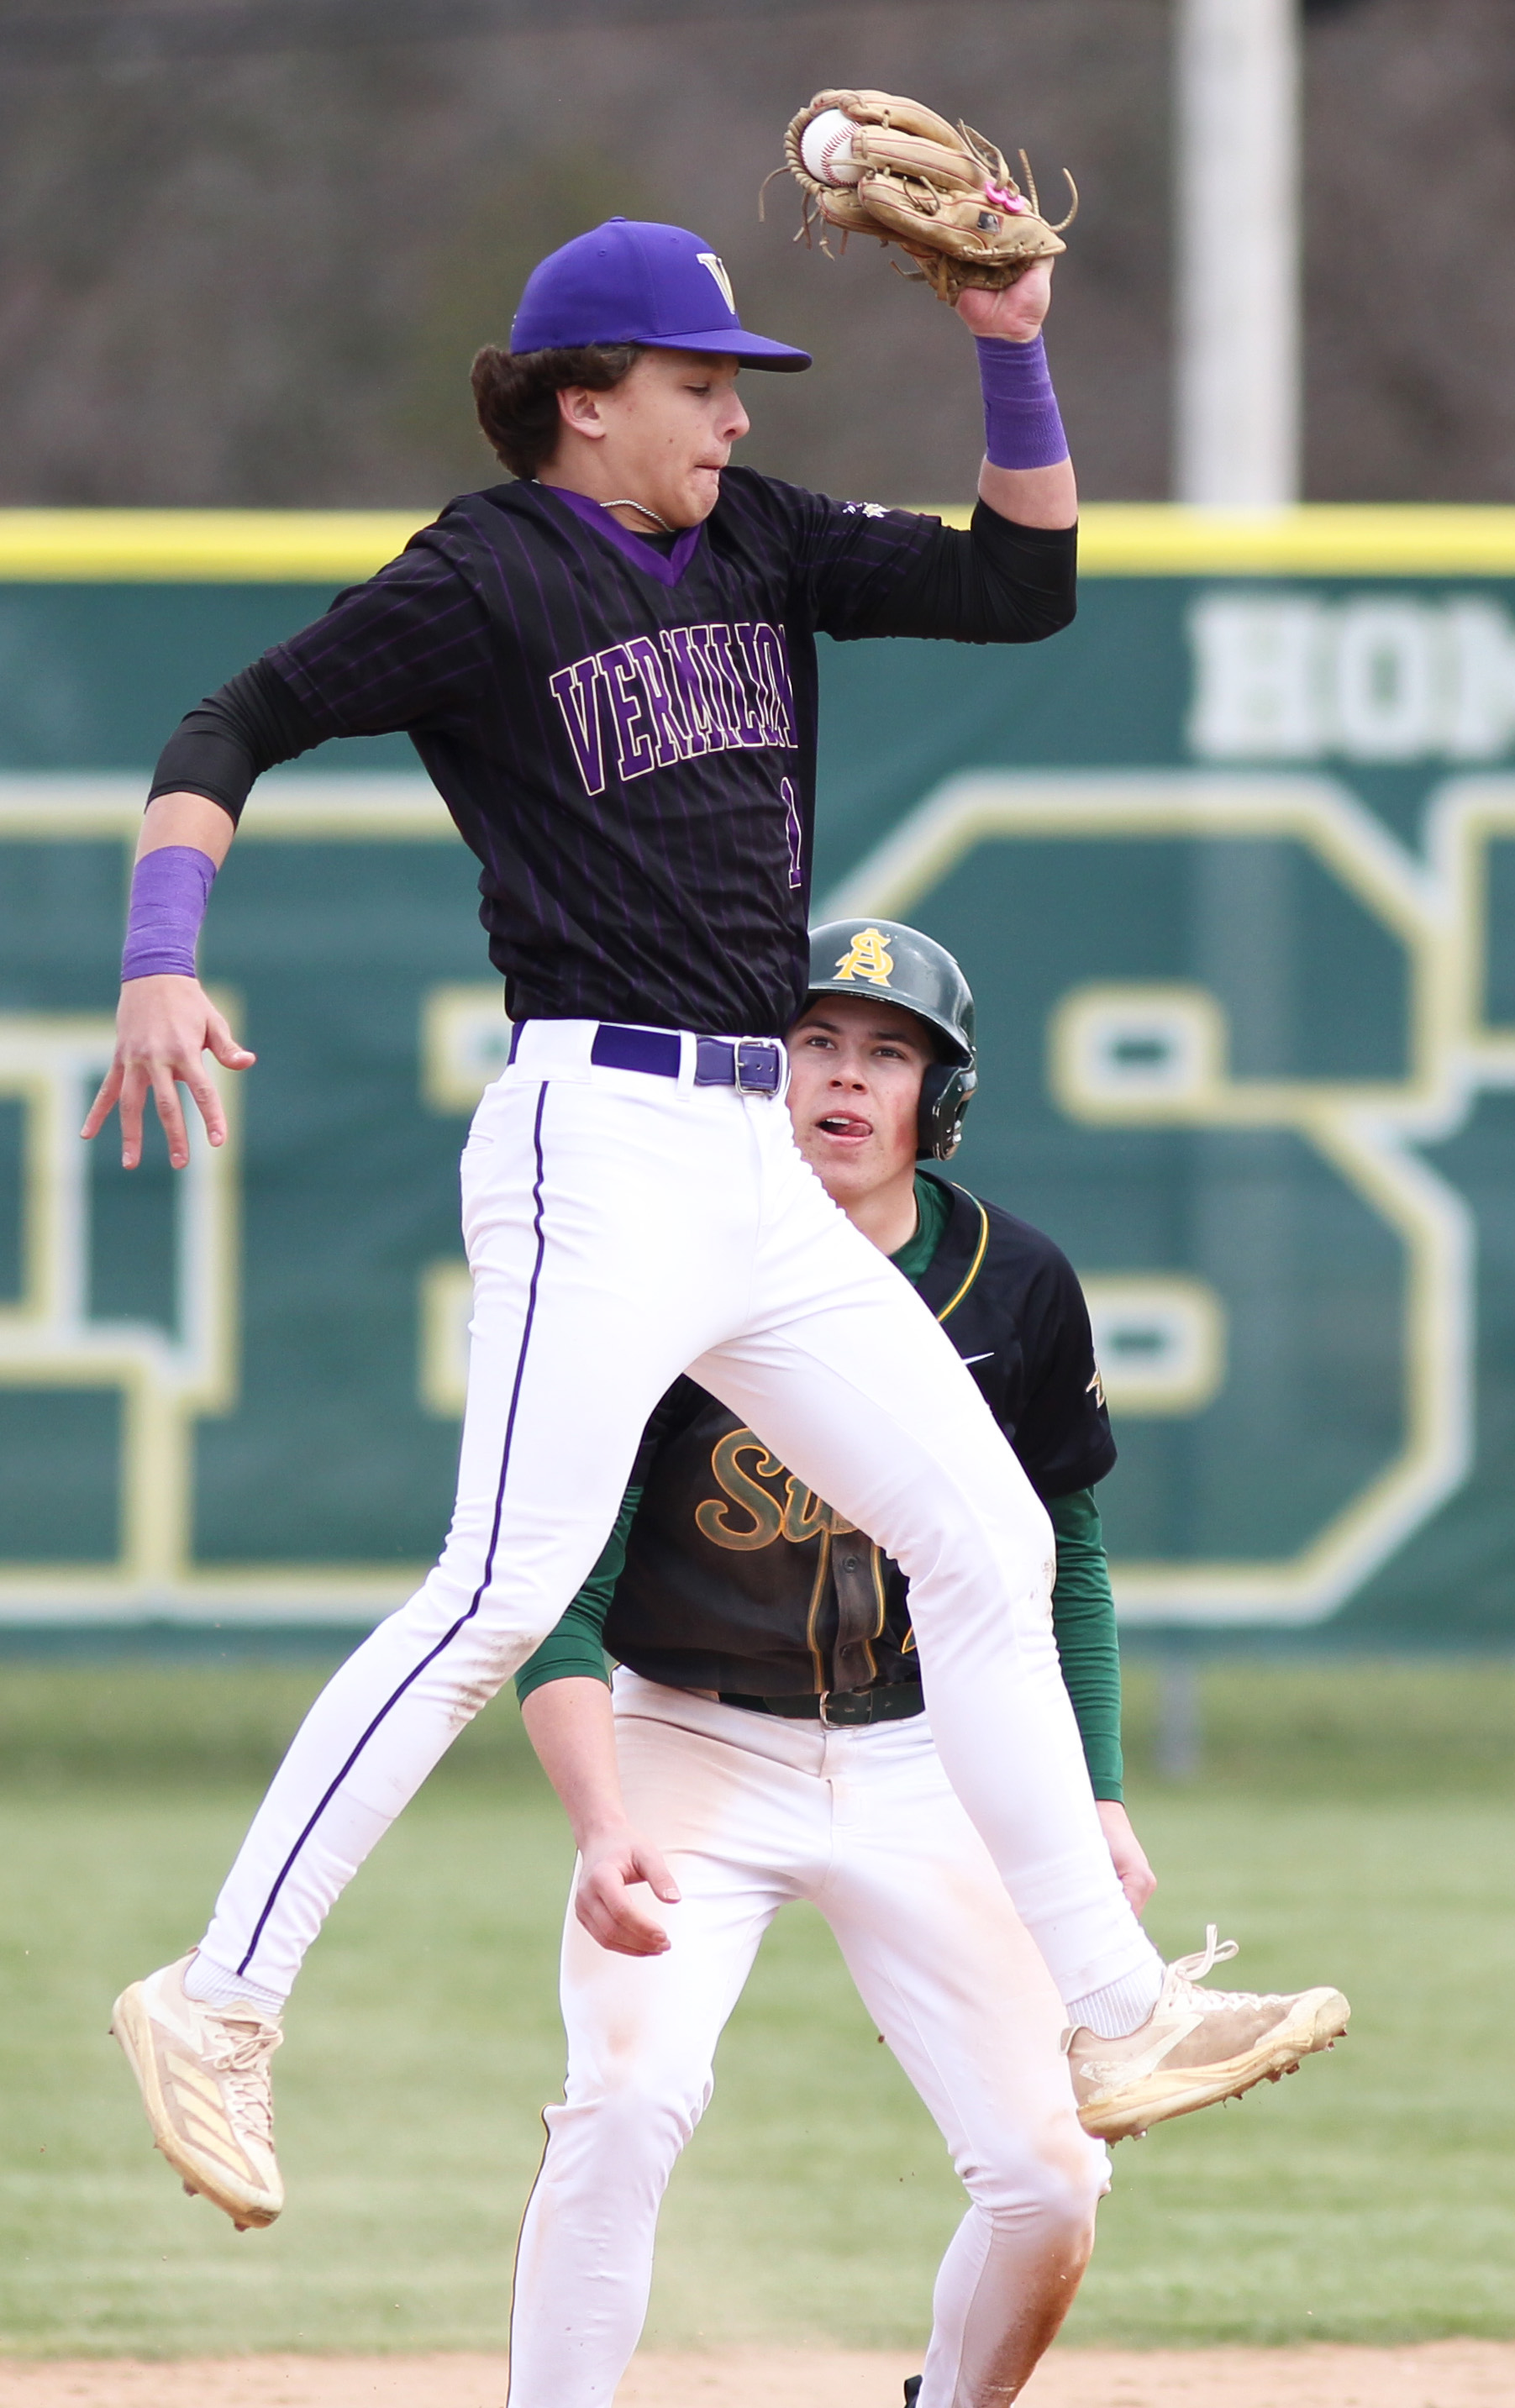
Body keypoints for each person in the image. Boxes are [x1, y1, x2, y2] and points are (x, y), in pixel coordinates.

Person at [94, 216, 1340, 2237]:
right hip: (593, 1131)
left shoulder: (756, 538)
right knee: (501, 1590)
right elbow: (223, 728)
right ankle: (219, 1994)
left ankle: (1109, 2010)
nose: (731, 411)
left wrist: (1013, 344)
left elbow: (1023, 583)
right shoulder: (484, 572)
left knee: (988, 1529)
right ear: (584, 398)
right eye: (696, 380)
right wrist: (160, 957)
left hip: (748, 1154)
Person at [506, 917, 1346, 2408]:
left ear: (937, 1099)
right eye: (815, 1043)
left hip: (929, 1754)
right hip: (692, 1745)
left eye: (887, 1053)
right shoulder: (665, 1270)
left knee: (1051, 2175)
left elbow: (1065, 1560)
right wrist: (599, 1816)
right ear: (759, 1073)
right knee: (624, 2103)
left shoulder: (1013, 1282)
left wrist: (1086, 1793)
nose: (844, 1078)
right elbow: (558, 1587)